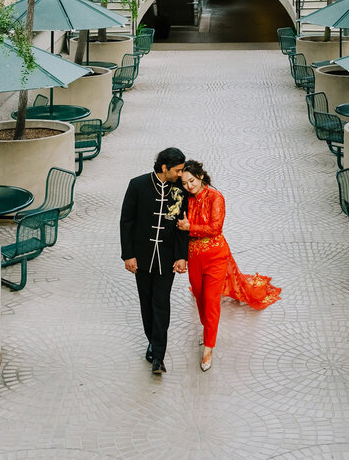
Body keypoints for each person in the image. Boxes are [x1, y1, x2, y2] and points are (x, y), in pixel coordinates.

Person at [176, 159, 282, 372]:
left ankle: (209, 347)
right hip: (194, 256)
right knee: (198, 293)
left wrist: (190, 227)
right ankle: (207, 330)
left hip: (216, 256)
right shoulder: (185, 199)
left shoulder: (216, 197)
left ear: (201, 177)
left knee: (211, 300)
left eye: (192, 180)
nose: (189, 186)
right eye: (185, 182)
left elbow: (216, 227)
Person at [120, 147, 189, 375]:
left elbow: (182, 226)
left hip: (167, 259)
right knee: (146, 303)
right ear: (164, 168)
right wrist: (128, 255)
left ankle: (158, 355)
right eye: (177, 170)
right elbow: (126, 221)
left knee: (161, 303)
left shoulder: (179, 190)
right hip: (141, 257)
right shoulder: (137, 185)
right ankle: (152, 341)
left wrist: (181, 256)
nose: (180, 175)